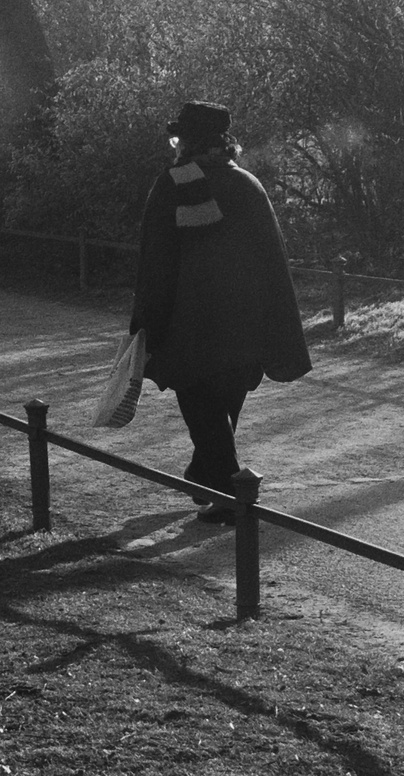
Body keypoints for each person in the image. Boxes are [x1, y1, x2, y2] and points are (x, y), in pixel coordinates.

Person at [130, 100, 311, 524]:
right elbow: (272, 262)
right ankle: (211, 482)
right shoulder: (249, 184)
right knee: (220, 414)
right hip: (246, 327)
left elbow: (156, 262)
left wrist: (145, 326)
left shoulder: (172, 184)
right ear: (226, 143)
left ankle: (230, 495)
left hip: (190, 327)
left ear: (186, 142)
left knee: (204, 411)